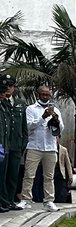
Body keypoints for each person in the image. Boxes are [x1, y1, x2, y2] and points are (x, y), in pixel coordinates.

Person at [16, 85, 63, 211]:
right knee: (29, 174)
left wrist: (56, 121)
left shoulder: (55, 110)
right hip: (34, 146)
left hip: (50, 147)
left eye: (47, 95)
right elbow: (28, 126)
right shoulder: (31, 109)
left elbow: (61, 129)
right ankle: (25, 199)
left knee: (49, 176)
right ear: (38, 95)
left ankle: (49, 201)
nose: (45, 97)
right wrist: (43, 117)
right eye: (43, 94)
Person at [0, 75, 25, 211]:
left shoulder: (20, 103)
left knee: (13, 176)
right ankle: (4, 201)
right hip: (4, 145)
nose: (8, 89)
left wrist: (23, 143)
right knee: (3, 175)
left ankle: (10, 200)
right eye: (5, 87)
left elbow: (23, 127)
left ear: (14, 87)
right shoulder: (2, 102)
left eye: (10, 86)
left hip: (16, 145)